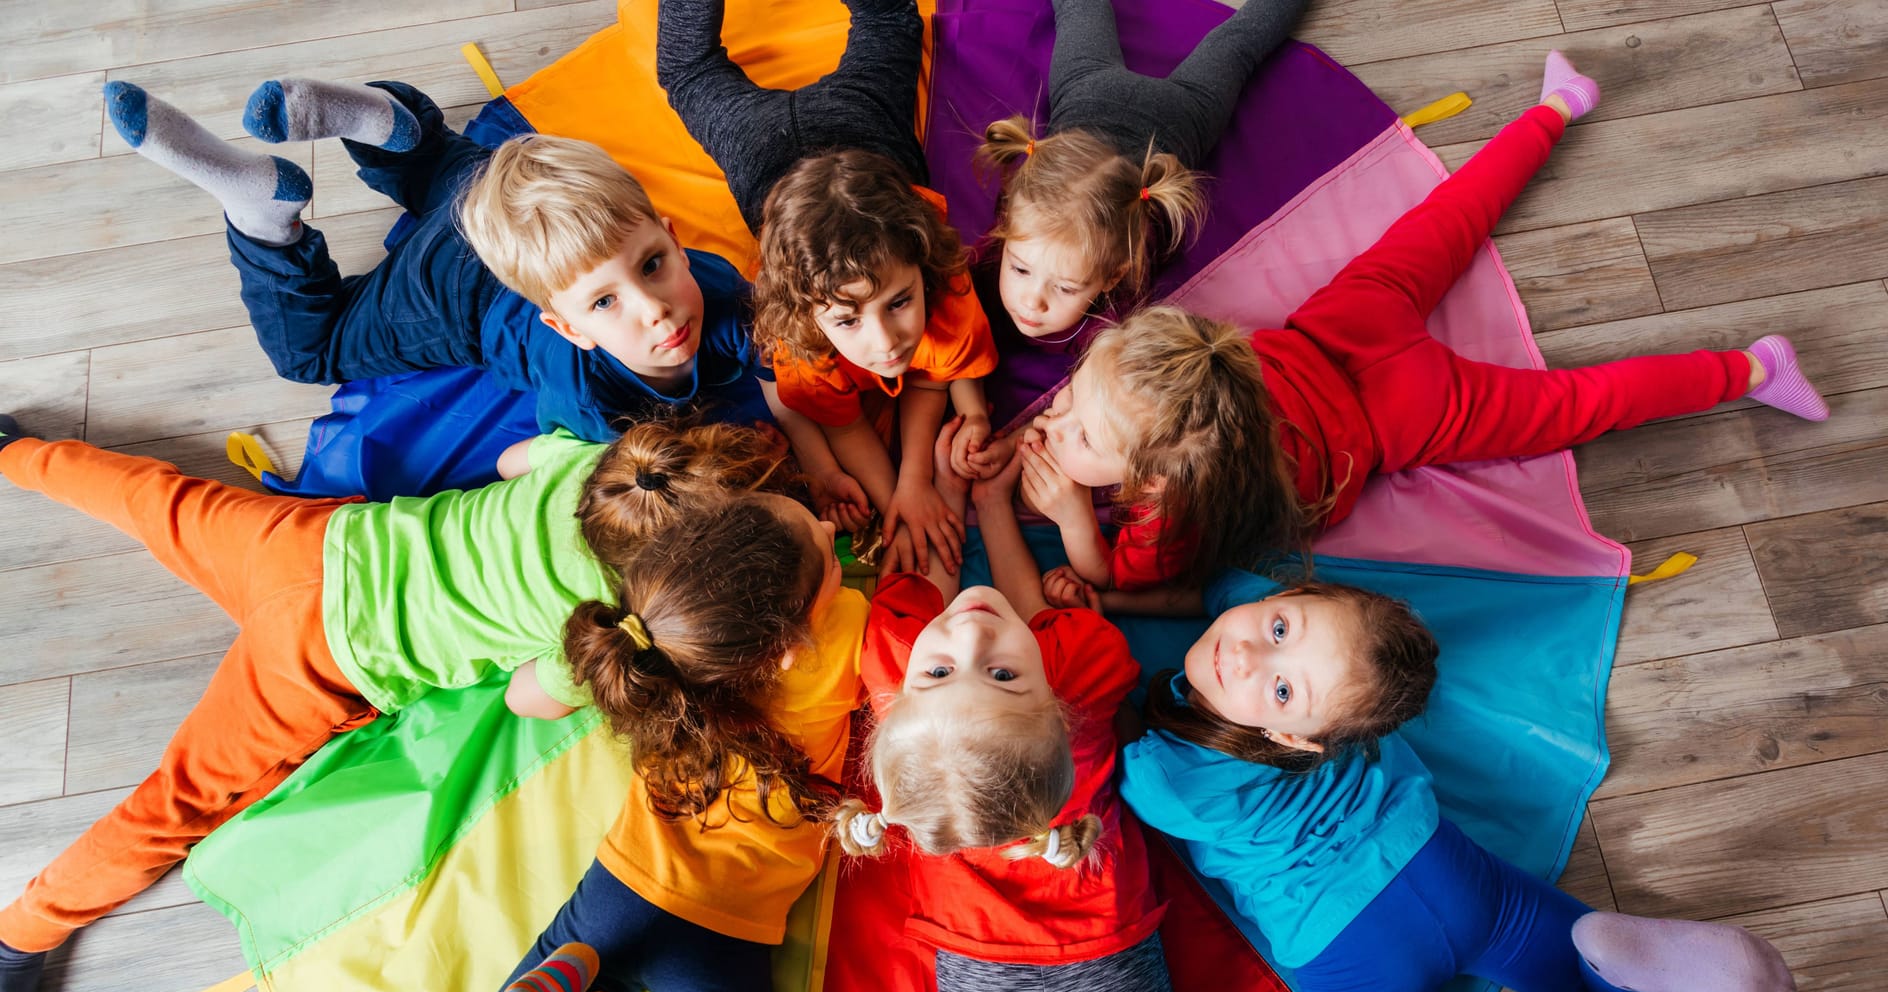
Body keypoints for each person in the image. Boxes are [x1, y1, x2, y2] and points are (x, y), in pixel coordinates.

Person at [0, 416, 802, 992]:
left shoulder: (598, 469)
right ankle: (19, 936)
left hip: (318, 545)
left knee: (157, 500)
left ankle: (17, 452)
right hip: (320, 660)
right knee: (176, 802)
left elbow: (511, 461)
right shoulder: (601, 623)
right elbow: (529, 701)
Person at [1017, 54, 1831, 594]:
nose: (1057, 423)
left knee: (1574, 404)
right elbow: (1126, 398)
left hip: (1394, 413)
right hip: (1336, 332)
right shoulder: (1177, 381)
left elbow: (1132, 584)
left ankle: (1755, 369)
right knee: (1447, 221)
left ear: (1160, 475)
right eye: (1069, 410)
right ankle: (1558, 105)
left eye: (1077, 423)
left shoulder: (1171, 505)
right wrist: (1081, 423)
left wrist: (1069, 519)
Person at [1117, 566, 1802, 992]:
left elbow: (1083, 720)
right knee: (1602, 986)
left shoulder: (1163, 780)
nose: (1242, 654)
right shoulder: (1335, 689)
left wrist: (1108, 606)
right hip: (1442, 867)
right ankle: (1619, 961)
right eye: (1277, 628)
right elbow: (1225, 600)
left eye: (1283, 688)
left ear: (1298, 739)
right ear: (1287, 597)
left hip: (1337, 937)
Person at [102, 78, 830, 452]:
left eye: (653, 265)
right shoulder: (590, 399)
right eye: (604, 306)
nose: (656, 309)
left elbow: (773, 360)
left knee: (456, 169)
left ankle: (384, 121)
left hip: (503, 193)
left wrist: (821, 458)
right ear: (566, 328)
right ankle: (261, 214)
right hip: (459, 288)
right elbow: (607, 467)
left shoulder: (712, 285)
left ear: (671, 239)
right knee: (311, 351)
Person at [435, 491, 864, 992]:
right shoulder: (847, 632)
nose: (827, 520)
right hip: (724, 932)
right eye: (829, 551)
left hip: (620, 890)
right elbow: (925, 646)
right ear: (789, 651)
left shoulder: (657, 634)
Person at [830, 420, 1177, 992]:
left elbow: (941, 592)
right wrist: (988, 504)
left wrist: (952, 496)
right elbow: (1022, 617)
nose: (969, 637)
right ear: (1054, 701)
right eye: (1001, 674)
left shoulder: (895, 666)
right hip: (1106, 956)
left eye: (940, 673)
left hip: (986, 971)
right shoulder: (1081, 669)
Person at [659, 0, 1000, 575]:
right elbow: (845, 422)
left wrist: (914, 483)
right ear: (808, 315)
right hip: (762, 142)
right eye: (847, 319)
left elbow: (932, 376)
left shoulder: (933, 268)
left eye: (899, 303)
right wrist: (899, 503)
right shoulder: (794, 333)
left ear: (922, 271)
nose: (888, 342)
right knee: (886, 22)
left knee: (889, 19)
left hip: (856, 126)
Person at [976, 0, 1310, 342]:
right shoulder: (1016, 221)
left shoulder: (1126, 288)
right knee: (1230, 44)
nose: (1032, 301)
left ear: (1113, 276)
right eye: (1019, 268)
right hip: (1092, 92)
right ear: (1005, 229)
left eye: (1065, 287)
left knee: (1237, 47)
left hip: (1173, 116)